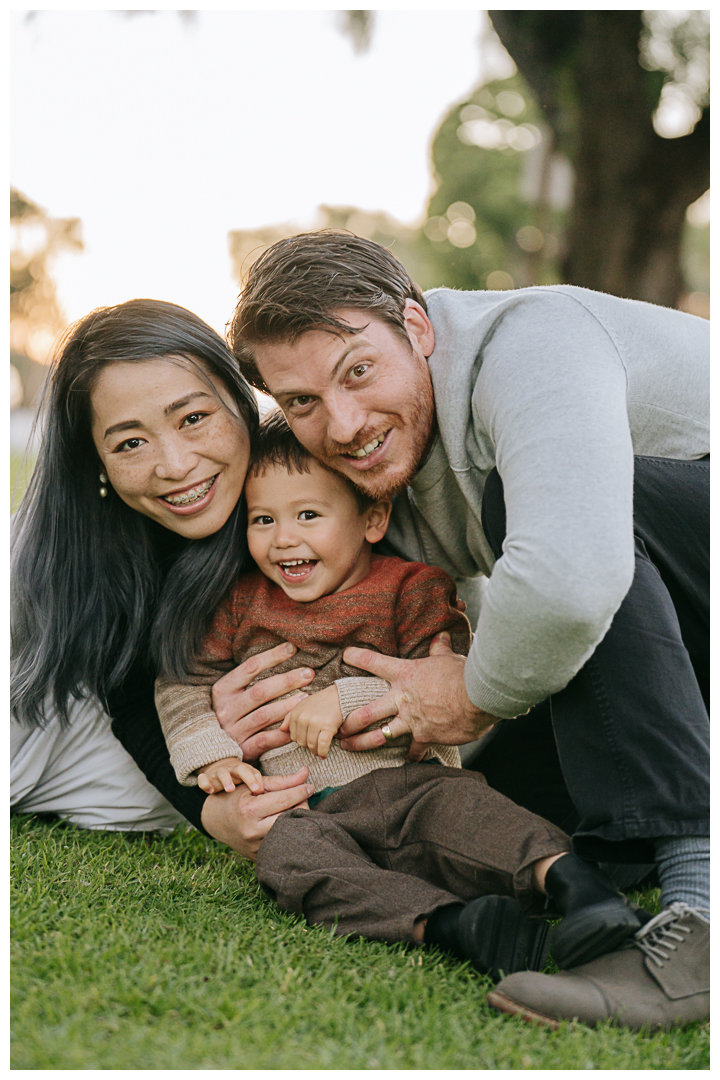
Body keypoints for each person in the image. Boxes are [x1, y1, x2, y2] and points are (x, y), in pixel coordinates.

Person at [226, 231, 709, 1030]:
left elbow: (566, 582)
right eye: (302, 402)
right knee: (498, 818)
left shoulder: (533, 344)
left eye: (357, 371)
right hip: (675, 631)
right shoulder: (381, 474)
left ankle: (702, 927)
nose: (341, 424)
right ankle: (611, 877)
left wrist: (475, 696)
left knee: (560, 517)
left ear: (417, 328)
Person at [154, 411, 646, 978]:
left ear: (373, 517)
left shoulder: (410, 589)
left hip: (414, 785)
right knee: (290, 861)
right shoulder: (240, 603)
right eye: (263, 519)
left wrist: (347, 697)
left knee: (476, 817)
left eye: (308, 515)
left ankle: (580, 890)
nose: (283, 538)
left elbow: (445, 673)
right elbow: (182, 681)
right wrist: (210, 754)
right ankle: (453, 926)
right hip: (306, 808)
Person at [11, 299, 332, 855]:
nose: (176, 464)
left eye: (193, 418)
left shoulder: (308, 484)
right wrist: (216, 810)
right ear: (98, 463)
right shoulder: (95, 556)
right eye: (130, 442)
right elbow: (132, 700)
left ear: (241, 401)